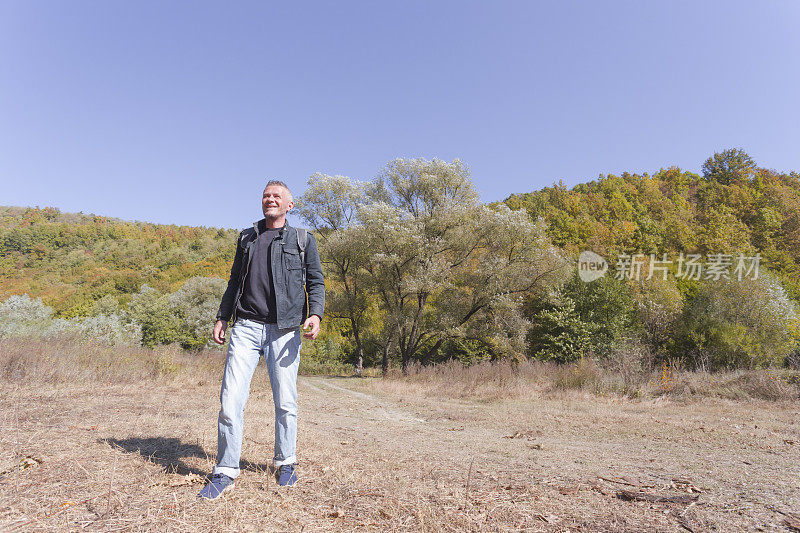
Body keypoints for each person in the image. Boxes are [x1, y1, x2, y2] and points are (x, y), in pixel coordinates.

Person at [198, 180, 325, 499]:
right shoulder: (247, 238)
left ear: (289, 205)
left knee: (285, 401)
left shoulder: (303, 239)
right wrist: (222, 316)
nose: (270, 199)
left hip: (284, 329)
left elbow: (316, 281)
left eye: (277, 196)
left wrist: (316, 314)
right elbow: (233, 280)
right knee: (230, 400)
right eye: (266, 195)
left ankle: (286, 462)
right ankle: (225, 469)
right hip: (246, 327)